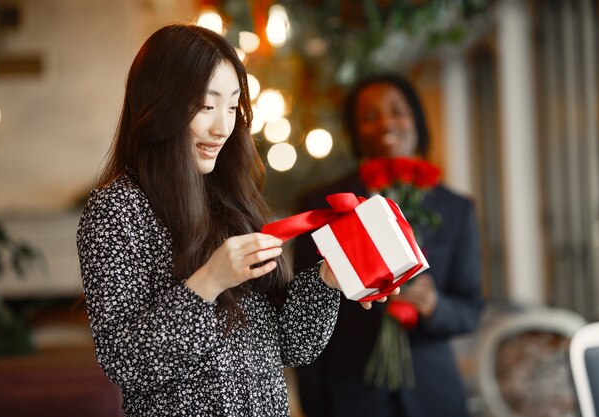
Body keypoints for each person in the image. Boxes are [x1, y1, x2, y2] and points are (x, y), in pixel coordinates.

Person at [77, 24, 394, 417]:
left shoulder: (230, 196)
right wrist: (209, 281)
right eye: (207, 106)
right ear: (161, 104)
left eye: (232, 106)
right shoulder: (116, 209)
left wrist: (328, 280)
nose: (222, 127)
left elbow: (290, 344)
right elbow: (126, 364)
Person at [294, 73, 485, 417]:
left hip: (435, 395)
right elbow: (301, 307)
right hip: (350, 396)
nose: (385, 123)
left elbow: (471, 309)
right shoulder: (323, 207)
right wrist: (313, 402)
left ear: (417, 121)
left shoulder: (456, 209)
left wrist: (435, 306)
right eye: (369, 117)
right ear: (355, 132)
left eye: (397, 111)